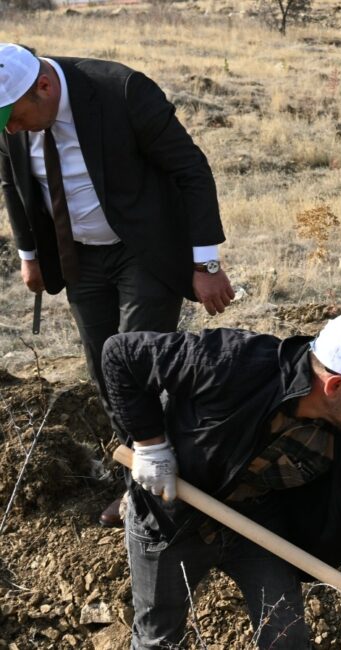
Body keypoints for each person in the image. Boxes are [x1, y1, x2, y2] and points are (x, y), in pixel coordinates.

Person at [100, 310, 341, 649]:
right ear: (336, 385)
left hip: (256, 525)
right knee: (159, 639)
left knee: (286, 637)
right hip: (172, 512)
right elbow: (121, 353)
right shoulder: (233, 362)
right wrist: (150, 445)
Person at [0, 43, 235, 527]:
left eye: (16, 118)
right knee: (102, 365)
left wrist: (206, 263)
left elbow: (190, 169)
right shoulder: (13, 114)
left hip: (142, 249)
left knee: (136, 356)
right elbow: (12, 181)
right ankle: (140, 479)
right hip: (78, 254)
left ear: (43, 87)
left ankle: (166, 485)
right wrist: (30, 255)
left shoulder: (121, 90)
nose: (11, 130)